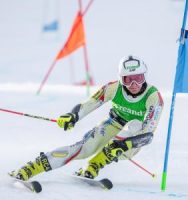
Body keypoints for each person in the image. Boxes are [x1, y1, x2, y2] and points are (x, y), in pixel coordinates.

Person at [9, 55, 164, 181]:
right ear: (121, 79)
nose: (134, 84)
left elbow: (148, 135)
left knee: (135, 126)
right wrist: (73, 115)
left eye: (138, 77)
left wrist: (125, 145)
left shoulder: (153, 97)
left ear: (145, 76)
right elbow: (90, 104)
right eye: (128, 79)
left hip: (133, 136)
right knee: (83, 149)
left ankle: (95, 164)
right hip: (112, 123)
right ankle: (32, 167)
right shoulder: (113, 88)